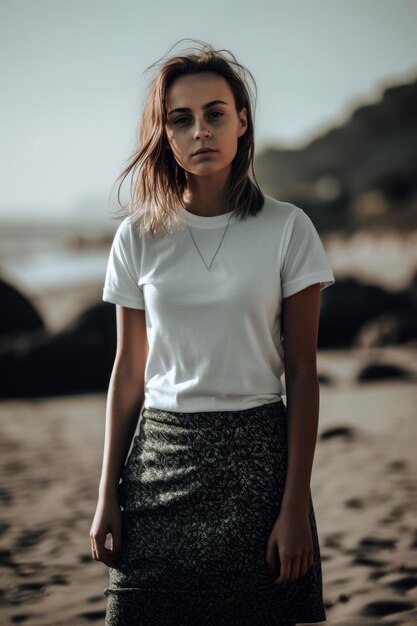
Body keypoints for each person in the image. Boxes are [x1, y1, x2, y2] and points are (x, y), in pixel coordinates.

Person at [90, 39, 335, 626]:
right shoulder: (138, 236)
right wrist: (106, 494)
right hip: (158, 465)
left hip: (258, 467)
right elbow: (129, 370)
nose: (201, 130)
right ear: (166, 134)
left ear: (242, 120)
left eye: (215, 113)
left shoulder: (288, 228)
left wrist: (295, 507)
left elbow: (301, 371)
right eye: (182, 119)